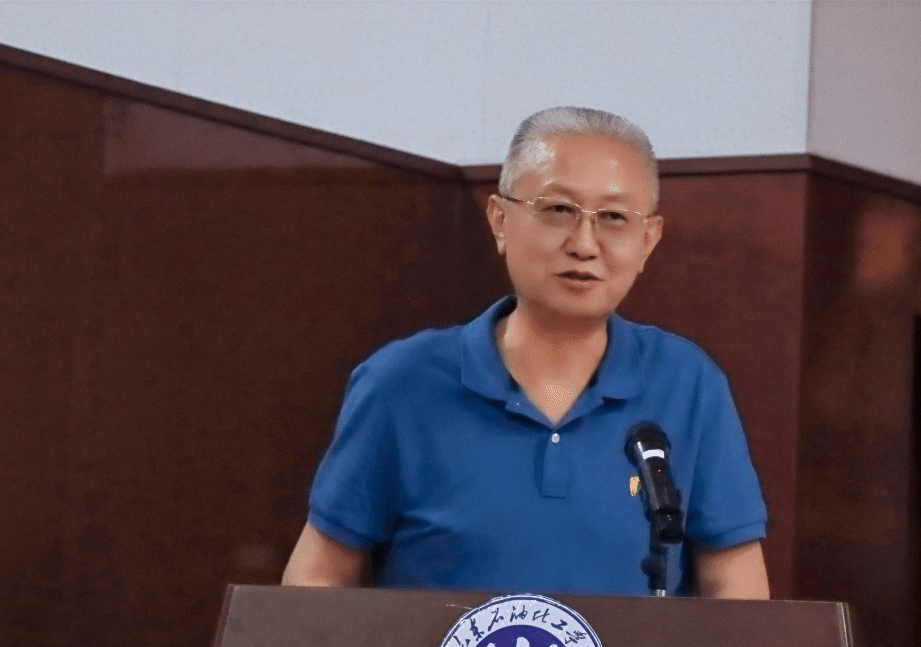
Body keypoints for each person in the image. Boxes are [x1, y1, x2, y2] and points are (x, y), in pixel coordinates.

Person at [282, 106, 770, 599]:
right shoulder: (400, 383)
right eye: (558, 210)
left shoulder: (688, 384)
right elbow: (316, 577)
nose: (584, 244)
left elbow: (736, 586)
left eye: (613, 218)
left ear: (648, 240)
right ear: (500, 220)